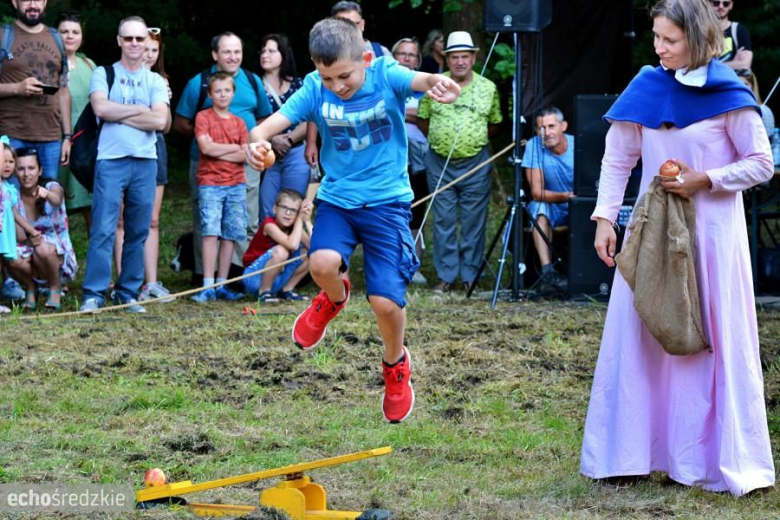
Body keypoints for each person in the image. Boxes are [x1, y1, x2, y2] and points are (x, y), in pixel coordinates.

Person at [581, 0, 775, 495]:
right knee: (641, 333)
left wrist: (704, 178)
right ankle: (628, 454)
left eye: (670, 39)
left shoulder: (728, 91)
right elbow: (618, 158)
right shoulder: (646, 86)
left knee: (707, 339)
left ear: (699, 37)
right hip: (652, 232)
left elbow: (760, 163)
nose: (659, 48)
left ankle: (700, 460)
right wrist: (604, 217)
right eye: (656, 37)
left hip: (711, 237)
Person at [247, 17, 460, 423]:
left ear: (364, 58)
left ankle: (395, 365)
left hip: (387, 203)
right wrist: (256, 148)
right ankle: (333, 297)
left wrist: (438, 82)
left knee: (384, 302)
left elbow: (419, 79)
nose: (337, 86)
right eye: (328, 77)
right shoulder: (314, 88)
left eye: (344, 76)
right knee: (322, 263)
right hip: (338, 200)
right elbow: (263, 131)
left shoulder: (384, 74)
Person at [79, 16, 168, 313]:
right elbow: (100, 108)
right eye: (128, 38)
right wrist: (140, 110)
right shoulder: (103, 73)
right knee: (103, 228)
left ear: (146, 42)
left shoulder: (155, 80)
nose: (134, 43)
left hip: (145, 162)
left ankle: (128, 292)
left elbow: (160, 120)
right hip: (110, 160)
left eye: (139, 39)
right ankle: (94, 293)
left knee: (138, 230)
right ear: (119, 41)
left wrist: (120, 113)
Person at [173, 32, 273, 286]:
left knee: (245, 218)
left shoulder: (252, 81)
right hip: (206, 167)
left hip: (246, 164)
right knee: (205, 219)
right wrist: (209, 139)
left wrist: (241, 148)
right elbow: (181, 123)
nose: (233, 57)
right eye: (227, 51)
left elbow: (264, 117)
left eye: (237, 51)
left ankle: (238, 273)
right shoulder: (199, 83)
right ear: (215, 54)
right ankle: (203, 274)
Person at [416, 31, 502, 293]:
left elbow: (495, 124)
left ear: (473, 58)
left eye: (465, 56)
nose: (460, 62)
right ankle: (446, 275)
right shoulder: (434, 83)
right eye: (455, 57)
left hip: (476, 164)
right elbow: (422, 119)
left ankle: (470, 276)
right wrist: (442, 140)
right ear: (446, 59)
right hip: (439, 163)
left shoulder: (488, 88)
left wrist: (471, 142)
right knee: (443, 220)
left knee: (474, 221)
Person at [114, 27, 176, 304]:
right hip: (123, 148)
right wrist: (146, 115)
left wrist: (163, 108)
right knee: (122, 220)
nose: (149, 54)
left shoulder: (161, 82)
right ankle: (124, 283)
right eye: (146, 48)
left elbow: (165, 125)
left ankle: (151, 283)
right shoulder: (119, 77)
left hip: (155, 148)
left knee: (152, 219)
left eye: (154, 50)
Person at [190, 72, 248, 303]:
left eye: (227, 90)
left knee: (230, 234)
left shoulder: (239, 122)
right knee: (210, 232)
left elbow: (245, 153)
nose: (223, 95)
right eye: (218, 91)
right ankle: (208, 284)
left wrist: (218, 149)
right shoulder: (203, 117)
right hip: (210, 183)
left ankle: (222, 284)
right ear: (210, 94)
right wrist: (233, 149)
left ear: (233, 93)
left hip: (236, 183)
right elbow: (206, 148)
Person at [0, 0, 71, 182]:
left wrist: (67, 136)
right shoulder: (3, 35)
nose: (33, 5)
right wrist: (17, 88)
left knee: (49, 194)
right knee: (12, 195)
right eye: (26, 0)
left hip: (51, 137)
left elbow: (63, 91)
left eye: (38, 0)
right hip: (11, 136)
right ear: (15, 2)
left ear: (45, 2)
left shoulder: (56, 38)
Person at [7, 148, 76, 310]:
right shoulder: (14, 197)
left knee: (42, 247)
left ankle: (55, 287)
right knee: (11, 256)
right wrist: (29, 241)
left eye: (31, 168)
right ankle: (31, 288)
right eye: (21, 169)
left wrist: (46, 194)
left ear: (40, 170)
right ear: (15, 172)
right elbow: (20, 238)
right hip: (32, 248)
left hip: (58, 256)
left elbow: (57, 200)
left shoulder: (52, 186)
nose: (26, 174)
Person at [521, 106, 574, 291]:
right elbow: (537, 192)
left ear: (563, 126)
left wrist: (575, 199)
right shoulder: (534, 146)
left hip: (579, 205)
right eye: (541, 128)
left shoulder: (578, 144)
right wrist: (567, 196)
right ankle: (547, 273)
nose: (547, 132)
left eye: (551, 126)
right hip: (554, 206)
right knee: (538, 208)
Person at [258, 34, 309, 221]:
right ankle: (269, 242)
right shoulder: (256, 85)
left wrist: (288, 139)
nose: (265, 55)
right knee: (267, 209)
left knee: (293, 207)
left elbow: (310, 120)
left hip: (296, 151)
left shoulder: (298, 84)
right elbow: (251, 120)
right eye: (263, 51)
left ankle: (294, 241)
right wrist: (272, 140)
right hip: (266, 154)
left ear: (283, 55)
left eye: (271, 51)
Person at [392, 37, 430, 285]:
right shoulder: (386, 82)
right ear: (393, 57)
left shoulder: (424, 85)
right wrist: (410, 115)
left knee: (416, 210)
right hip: (391, 157)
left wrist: (400, 113)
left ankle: (413, 266)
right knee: (392, 210)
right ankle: (392, 265)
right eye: (402, 53)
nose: (406, 58)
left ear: (417, 61)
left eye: (412, 55)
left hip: (419, 156)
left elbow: (426, 116)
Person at [56, 13, 94, 230]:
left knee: (92, 206)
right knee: (56, 206)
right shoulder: (48, 64)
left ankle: (97, 252)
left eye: (75, 32)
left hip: (86, 145)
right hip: (58, 141)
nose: (70, 36)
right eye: (64, 31)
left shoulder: (89, 65)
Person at [242, 189, 312, 302]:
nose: (288, 213)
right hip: (254, 277)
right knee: (281, 251)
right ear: (275, 209)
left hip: (276, 278)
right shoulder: (269, 225)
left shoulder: (295, 227)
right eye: (284, 208)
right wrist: (299, 219)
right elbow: (292, 245)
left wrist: (307, 220)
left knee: (310, 254)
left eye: (293, 210)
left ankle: (286, 290)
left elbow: (315, 248)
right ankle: (264, 292)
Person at [0, 142, 19, 312]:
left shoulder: (9, 187)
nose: (7, 165)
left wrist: (31, 231)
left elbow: (15, 213)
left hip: (4, 235)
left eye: (11, 161)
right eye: (3, 160)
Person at [711, 0, 752, 70]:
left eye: (725, 3)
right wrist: (734, 63)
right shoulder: (702, 32)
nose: (721, 6)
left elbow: (745, 65)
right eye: (716, 3)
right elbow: (696, 65)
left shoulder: (739, 31)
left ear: (731, 5)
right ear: (709, 4)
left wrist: (711, 66)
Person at [735, 68, 774, 138]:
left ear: (752, 86)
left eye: (745, 84)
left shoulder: (764, 111)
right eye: (738, 84)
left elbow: (769, 139)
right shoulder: (728, 110)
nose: (741, 87)